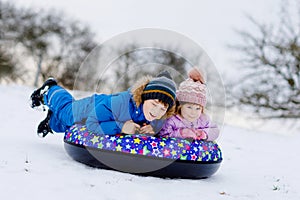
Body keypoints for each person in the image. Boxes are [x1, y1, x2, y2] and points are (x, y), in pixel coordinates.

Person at [30, 71, 176, 137]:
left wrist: (152, 127)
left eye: (163, 108)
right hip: (93, 107)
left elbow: (162, 122)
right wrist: (122, 126)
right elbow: (93, 123)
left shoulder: (155, 117)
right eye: (154, 103)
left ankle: (51, 121)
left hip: (100, 116)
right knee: (68, 114)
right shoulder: (121, 102)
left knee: (68, 126)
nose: (157, 111)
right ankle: (51, 89)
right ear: (144, 97)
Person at [158, 68, 219, 141]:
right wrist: (181, 133)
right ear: (180, 106)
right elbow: (163, 133)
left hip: (195, 151)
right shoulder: (173, 120)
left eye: (198, 108)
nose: (193, 112)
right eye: (189, 107)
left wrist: (204, 133)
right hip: (175, 150)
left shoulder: (203, 120)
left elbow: (215, 130)